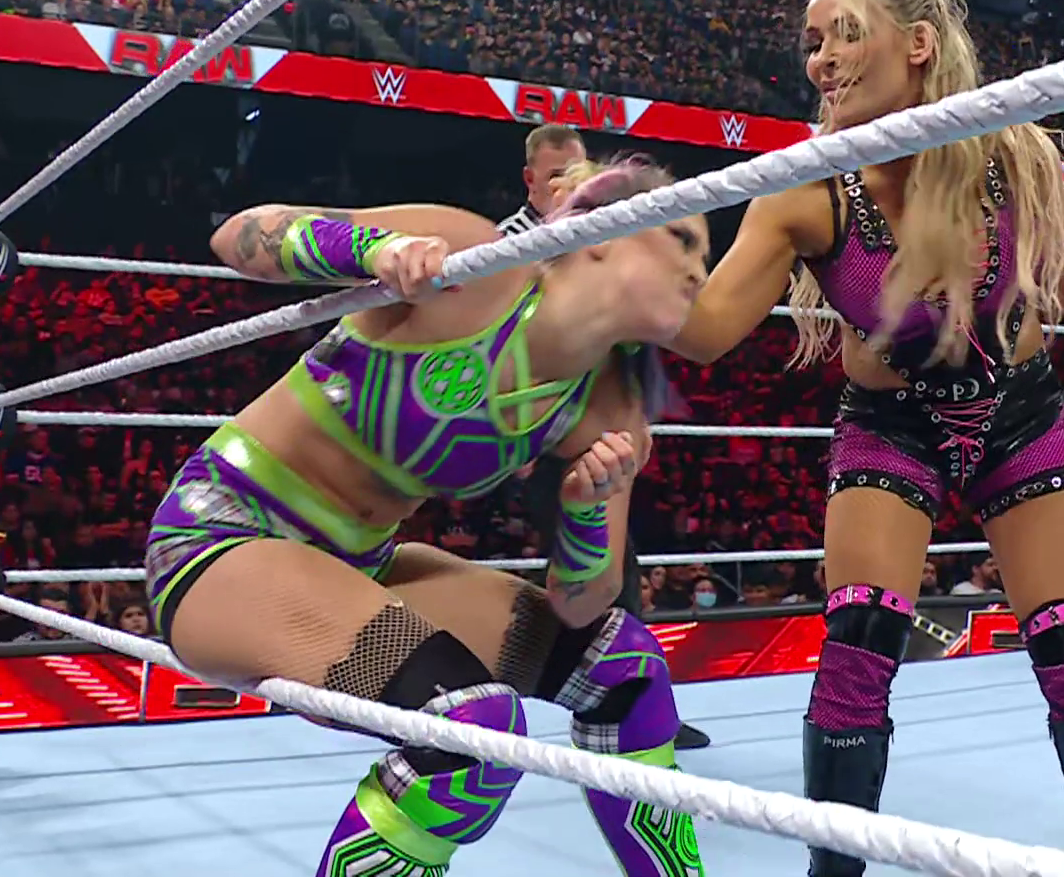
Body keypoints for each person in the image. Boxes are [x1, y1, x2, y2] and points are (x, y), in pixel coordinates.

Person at [669, 0, 1064, 871]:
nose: (823, 60)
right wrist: (618, 259)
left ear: (918, 43)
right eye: (813, 43)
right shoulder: (805, 188)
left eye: (846, 33)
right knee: (856, 649)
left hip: (1021, 412)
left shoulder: (1012, 148)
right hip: (892, 428)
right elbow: (707, 331)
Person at [145, 157, 711, 877]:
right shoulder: (476, 261)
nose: (699, 272)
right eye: (683, 240)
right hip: (225, 536)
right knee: (472, 730)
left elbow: (583, 603)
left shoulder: (609, 408)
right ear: (602, 233)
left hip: (359, 567)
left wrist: (586, 510)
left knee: (623, 665)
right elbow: (242, 235)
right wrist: (375, 252)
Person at [497, 123, 713, 752]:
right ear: (531, 181)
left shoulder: (620, 251)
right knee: (582, 568)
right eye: (558, 175)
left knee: (615, 565)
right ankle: (615, 698)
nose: (571, 181)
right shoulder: (508, 246)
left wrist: (633, 418)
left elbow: (627, 345)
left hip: (589, 419)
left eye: (580, 170)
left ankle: (632, 702)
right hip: (530, 432)